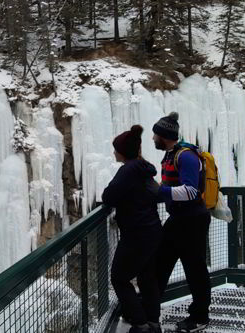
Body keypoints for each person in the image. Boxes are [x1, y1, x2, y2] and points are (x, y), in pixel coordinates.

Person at [152, 112, 211, 332]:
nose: (153, 138)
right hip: (178, 219)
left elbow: (191, 191)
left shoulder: (185, 156)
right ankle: (149, 310)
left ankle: (200, 316)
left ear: (164, 135)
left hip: (193, 220)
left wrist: (159, 193)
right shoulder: (170, 155)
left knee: (195, 269)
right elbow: (170, 183)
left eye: (155, 134)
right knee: (160, 262)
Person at [102, 125, 164, 333]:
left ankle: (140, 323)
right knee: (147, 278)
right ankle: (153, 321)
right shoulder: (143, 167)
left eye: (116, 149)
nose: (114, 152)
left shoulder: (128, 170)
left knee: (118, 277)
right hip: (152, 229)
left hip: (137, 233)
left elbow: (109, 196)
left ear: (123, 151)